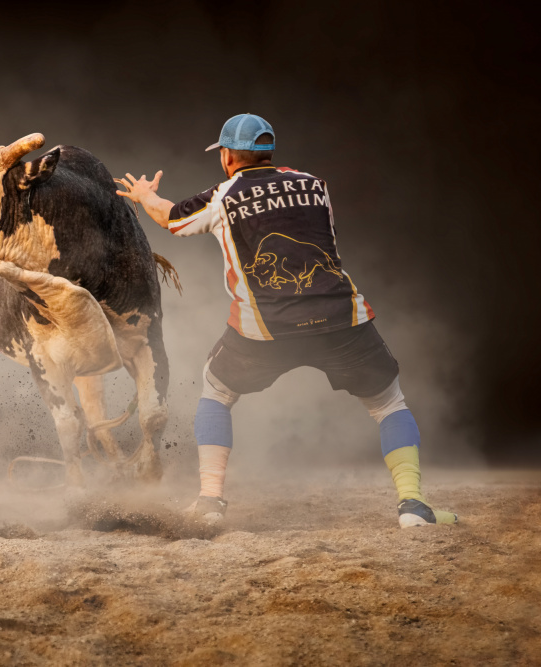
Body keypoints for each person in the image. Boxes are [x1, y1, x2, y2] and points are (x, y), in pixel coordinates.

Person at [116, 113, 456, 529]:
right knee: (389, 404)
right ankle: (413, 507)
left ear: (227, 156)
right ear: (268, 151)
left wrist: (144, 195)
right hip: (342, 318)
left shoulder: (224, 194)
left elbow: (171, 218)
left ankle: (209, 502)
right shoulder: (316, 185)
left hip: (266, 328)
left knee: (217, 390)